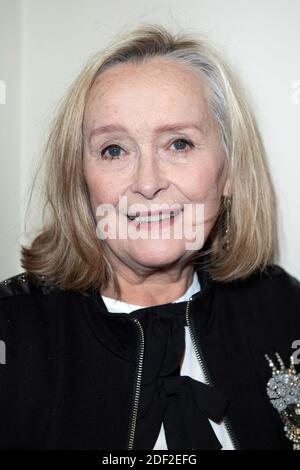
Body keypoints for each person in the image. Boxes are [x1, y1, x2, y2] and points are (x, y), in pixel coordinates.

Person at [0, 23, 300, 451]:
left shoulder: (283, 306)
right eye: (114, 150)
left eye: (178, 143)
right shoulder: (14, 330)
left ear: (229, 171)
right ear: (81, 182)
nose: (147, 181)